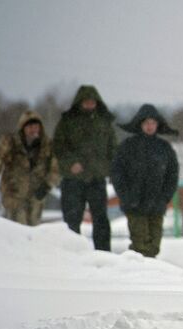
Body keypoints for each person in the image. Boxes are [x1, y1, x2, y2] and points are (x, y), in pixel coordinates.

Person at [111, 104, 179, 258]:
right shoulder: (128, 146)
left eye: (153, 123)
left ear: (157, 125)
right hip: (134, 204)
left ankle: (150, 277)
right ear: (140, 124)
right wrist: (126, 197)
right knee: (140, 246)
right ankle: (138, 276)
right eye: (146, 123)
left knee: (154, 247)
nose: (150, 126)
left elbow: (172, 175)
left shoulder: (164, 148)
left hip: (157, 205)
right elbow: (117, 173)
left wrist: (164, 198)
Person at [53, 85, 116, 251]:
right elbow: (58, 148)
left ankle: (104, 255)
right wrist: (70, 164)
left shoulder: (104, 121)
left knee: (101, 220)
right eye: (86, 101)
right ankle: (71, 255)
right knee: (71, 221)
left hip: (96, 179)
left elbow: (113, 149)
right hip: (73, 180)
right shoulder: (68, 121)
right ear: (79, 102)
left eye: (92, 101)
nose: (89, 104)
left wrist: (107, 169)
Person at [0, 110, 60, 226]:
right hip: (13, 195)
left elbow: (56, 168)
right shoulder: (10, 142)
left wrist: (47, 185)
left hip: (37, 196)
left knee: (34, 231)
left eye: (36, 126)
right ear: (23, 128)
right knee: (17, 229)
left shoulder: (47, 145)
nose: (33, 130)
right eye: (29, 126)